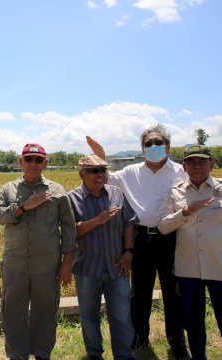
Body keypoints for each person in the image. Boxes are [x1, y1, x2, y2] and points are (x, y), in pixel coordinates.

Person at [87, 124, 189, 358]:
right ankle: (139, 337)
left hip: (171, 238)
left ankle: (177, 340)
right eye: (148, 143)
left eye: (158, 142)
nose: (153, 147)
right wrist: (100, 155)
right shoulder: (131, 172)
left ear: (168, 146)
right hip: (140, 238)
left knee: (173, 292)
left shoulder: (181, 172)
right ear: (142, 149)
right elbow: (106, 178)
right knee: (140, 292)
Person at [157, 145, 222, 360]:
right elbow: (163, 226)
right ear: (184, 166)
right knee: (193, 325)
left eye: (202, 161)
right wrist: (186, 211)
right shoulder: (174, 191)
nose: (197, 166)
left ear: (211, 164)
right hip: (187, 271)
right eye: (191, 162)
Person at [0, 143, 77, 360]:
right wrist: (23, 207)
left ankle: (41, 354)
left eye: (38, 160)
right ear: (21, 162)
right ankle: (17, 355)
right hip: (15, 265)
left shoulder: (57, 191)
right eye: (28, 159)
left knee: (46, 313)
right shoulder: (8, 189)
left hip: (46, 266)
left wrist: (67, 262)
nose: (33, 164)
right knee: (12, 313)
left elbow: (69, 227)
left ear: (45, 163)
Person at [67, 155, 138, 360]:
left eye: (102, 170)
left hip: (118, 267)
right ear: (82, 174)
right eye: (93, 171)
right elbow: (71, 232)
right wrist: (97, 220)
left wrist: (128, 252)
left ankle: (124, 355)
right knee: (89, 316)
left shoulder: (117, 193)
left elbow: (129, 224)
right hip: (88, 269)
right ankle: (94, 353)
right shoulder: (72, 198)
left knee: (122, 315)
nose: (99, 174)